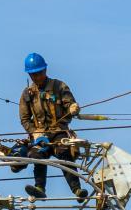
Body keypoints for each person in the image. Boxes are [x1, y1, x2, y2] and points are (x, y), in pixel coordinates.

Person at [16, 52, 87, 200]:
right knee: (36, 155)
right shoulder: (27, 94)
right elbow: (24, 119)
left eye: (39, 73)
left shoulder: (59, 86)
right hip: (40, 134)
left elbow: (69, 105)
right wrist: (34, 132)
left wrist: (73, 108)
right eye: (33, 74)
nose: (36, 77)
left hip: (59, 131)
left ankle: (77, 190)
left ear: (45, 71)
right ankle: (39, 188)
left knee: (64, 152)